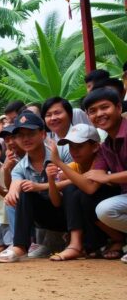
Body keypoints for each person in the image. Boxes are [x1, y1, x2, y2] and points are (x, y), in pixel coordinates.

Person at [0, 112, 68, 263]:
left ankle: (77, 240)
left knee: (73, 192)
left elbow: (78, 179)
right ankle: (20, 247)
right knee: (24, 192)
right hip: (49, 216)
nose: (26, 139)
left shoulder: (62, 151)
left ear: (42, 133)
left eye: (31, 133)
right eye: (20, 135)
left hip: (71, 209)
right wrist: (12, 192)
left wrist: (39, 186)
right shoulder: (20, 167)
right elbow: (16, 183)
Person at [46, 124, 119, 260]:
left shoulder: (101, 158)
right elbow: (56, 202)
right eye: (71, 146)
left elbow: (90, 188)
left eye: (79, 146)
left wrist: (59, 162)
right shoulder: (75, 166)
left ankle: (117, 240)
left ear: (95, 147)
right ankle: (78, 244)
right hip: (97, 219)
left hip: (113, 212)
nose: (74, 151)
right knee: (72, 190)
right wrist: (51, 179)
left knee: (82, 193)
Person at [81, 88, 127, 261]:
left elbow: (101, 176)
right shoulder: (105, 145)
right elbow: (91, 184)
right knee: (104, 209)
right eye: (93, 111)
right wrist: (58, 163)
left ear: (118, 107)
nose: (99, 114)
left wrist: (108, 177)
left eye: (104, 107)